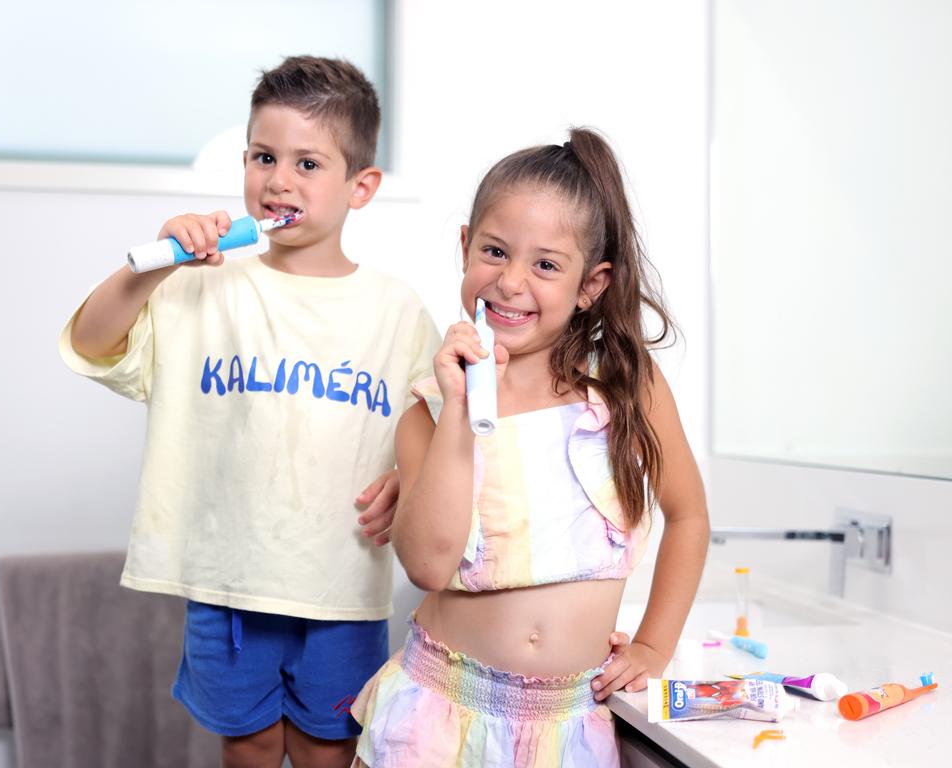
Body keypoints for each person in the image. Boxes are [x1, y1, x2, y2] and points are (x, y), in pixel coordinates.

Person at [59, 56, 439, 768]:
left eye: (308, 163)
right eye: (265, 157)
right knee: (252, 745)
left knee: (331, 749)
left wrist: (407, 481)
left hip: (340, 589)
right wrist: (159, 261)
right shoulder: (201, 288)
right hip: (228, 586)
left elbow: (434, 437)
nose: (279, 180)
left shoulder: (399, 310)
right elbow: (90, 342)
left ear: (362, 186)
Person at [351, 128, 709, 767]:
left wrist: (655, 647)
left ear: (590, 285)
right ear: (465, 247)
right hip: (440, 714)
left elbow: (689, 515)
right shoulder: (430, 407)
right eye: (494, 251)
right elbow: (428, 567)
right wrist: (460, 405)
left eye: (546, 264)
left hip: (569, 725)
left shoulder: (626, 387)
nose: (511, 282)